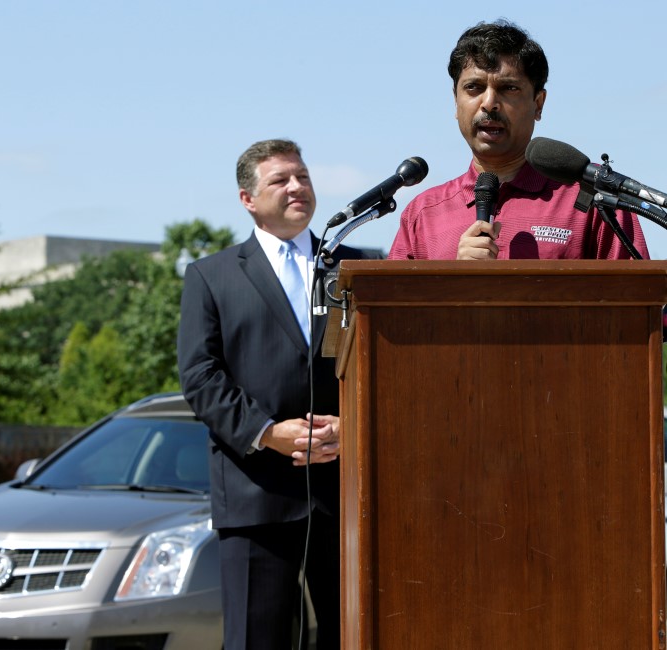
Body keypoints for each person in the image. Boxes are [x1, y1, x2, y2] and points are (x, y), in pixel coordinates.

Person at [177, 139, 378, 649]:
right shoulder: (211, 276)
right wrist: (268, 433)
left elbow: (384, 365)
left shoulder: (359, 270)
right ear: (247, 198)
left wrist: (351, 425)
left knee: (355, 637)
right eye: (280, 180)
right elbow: (200, 376)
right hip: (254, 495)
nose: (297, 187)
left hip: (346, 491)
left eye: (303, 176)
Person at [388, 19, 649, 261]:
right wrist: (453, 282)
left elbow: (640, 302)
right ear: (456, 103)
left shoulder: (593, 199)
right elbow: (390, 308)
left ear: (538, 104)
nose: (489, 103)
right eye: (474, 88)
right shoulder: (423, 213)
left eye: (508, 88)